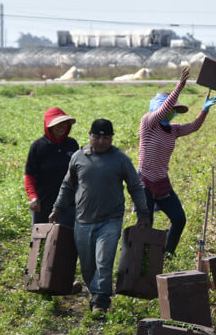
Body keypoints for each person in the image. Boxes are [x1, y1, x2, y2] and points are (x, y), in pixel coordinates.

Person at [49, 118, 149, 314]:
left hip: (110, 220)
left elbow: (135, 186)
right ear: (90, 136)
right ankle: (95, 292)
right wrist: (57, 208)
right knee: (87, 265)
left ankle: (100, 302)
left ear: (111, 138)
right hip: (83, 220)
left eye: (106, 138)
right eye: (97, 137)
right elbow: (67, 186)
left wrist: (143, 212)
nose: (101, 142)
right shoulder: (78, 157)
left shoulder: (120, 159)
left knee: (104, 262)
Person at [139, 66, 216, 256]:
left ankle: (167, 253)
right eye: (170, 109)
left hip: (161, 181)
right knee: (146, 223)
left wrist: (204, 110)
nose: (172, 112)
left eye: (174, 110)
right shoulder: (148, 123)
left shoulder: (173, 130)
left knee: (179, 219)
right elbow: (163, 109)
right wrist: (181, 85)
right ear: (158, 109)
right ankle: (142, 259)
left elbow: (193, 126)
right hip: (144, 181)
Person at [24, 107, 79, 227]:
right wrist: (33, 197)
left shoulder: (72, 144)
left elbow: (78, 173)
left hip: (68, 203)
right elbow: (29, 176)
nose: (62, 126)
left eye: (64, 123)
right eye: (57, 123)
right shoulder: (38, 147)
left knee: (65, 237)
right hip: (43, 203)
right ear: (49, 126)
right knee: (42, 239)